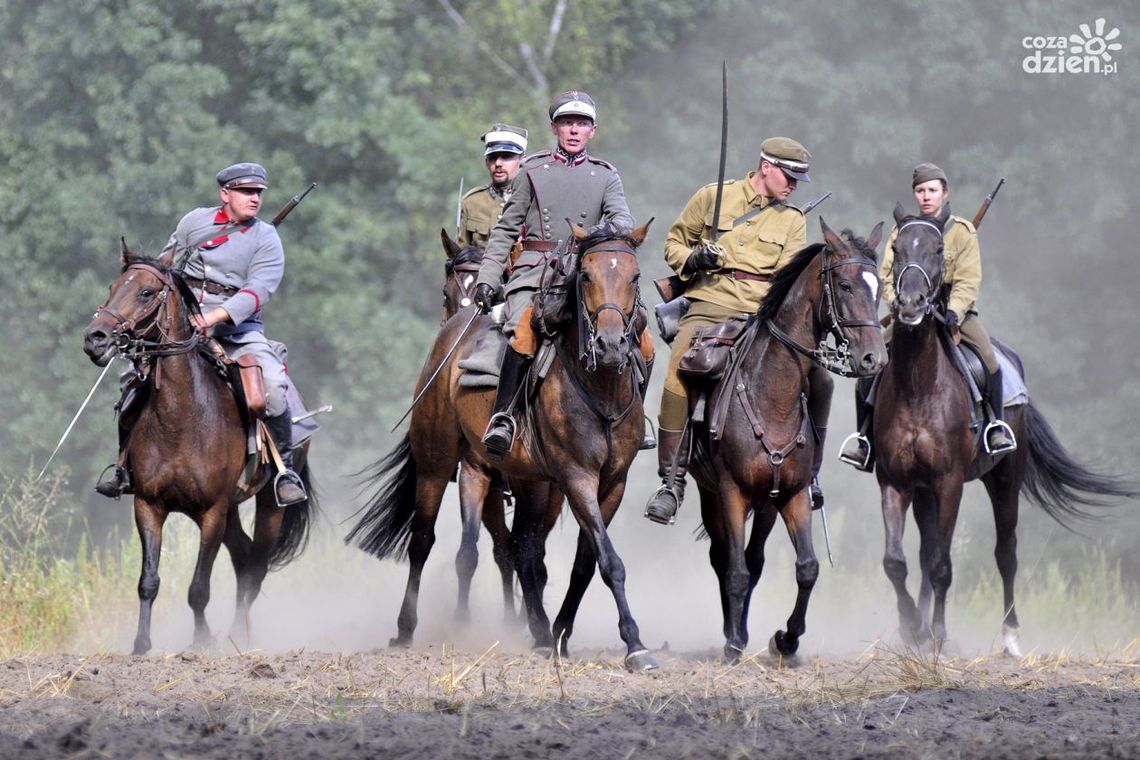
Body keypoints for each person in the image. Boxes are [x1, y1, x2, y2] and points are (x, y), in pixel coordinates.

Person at [644, 137, 834, 525]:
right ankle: (671, 482)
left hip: (761, 315)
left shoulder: (793, 220)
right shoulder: (714, 197)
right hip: (711, 303)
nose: (794, 185)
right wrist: (696, 257)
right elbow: (674, 243)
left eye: (799, 179)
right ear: (766, 166)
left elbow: (786, 279)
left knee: (823, 381)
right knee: (680, 372)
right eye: (789, 176)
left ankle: (810, 475)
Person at [96, 162, 308, 506]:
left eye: (258, 193)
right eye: (245, 192)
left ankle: (285, 471)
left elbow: (259, 290)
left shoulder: (266, 237)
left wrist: (215, 316)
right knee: (131, 382)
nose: (254, 199)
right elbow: (167, 266)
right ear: (225, 193)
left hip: (239, 330)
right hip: (181, 325)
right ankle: (125, 467)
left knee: (271, 391)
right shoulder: (195, 222)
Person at [472, 90, 635, 460]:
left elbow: (623, 219)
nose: (574, 131)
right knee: (524, 328)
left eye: (581, 124)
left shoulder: (606, 175)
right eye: (567, 123)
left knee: (636, 332)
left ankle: (631, 422)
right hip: (536, 269)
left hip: (586, 271)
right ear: (554, 127)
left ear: (592, 131)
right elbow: (505, 230)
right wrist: (488, 275)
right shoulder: (532, 171)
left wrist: (601, 233)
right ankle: (503, 417)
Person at [838, 162, 1016, 470]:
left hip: (951, 314)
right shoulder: (903, 231)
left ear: (945, 193)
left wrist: (954, 311)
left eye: (932, 190)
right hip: (909, 311)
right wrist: (895, 302)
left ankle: (995, 427)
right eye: (920, 191)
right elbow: (887, 275)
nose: (926, 196)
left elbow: (968, 280)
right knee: (872, 362)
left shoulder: (961, 231)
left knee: (989, 359)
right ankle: (865, 438)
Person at [457, 123, 528, 248]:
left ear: (523, 161)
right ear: (486, 162)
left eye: (506, 157)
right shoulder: (472, 202)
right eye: (493, 158)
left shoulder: (534, 201)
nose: (498, 163)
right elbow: (461, 255)